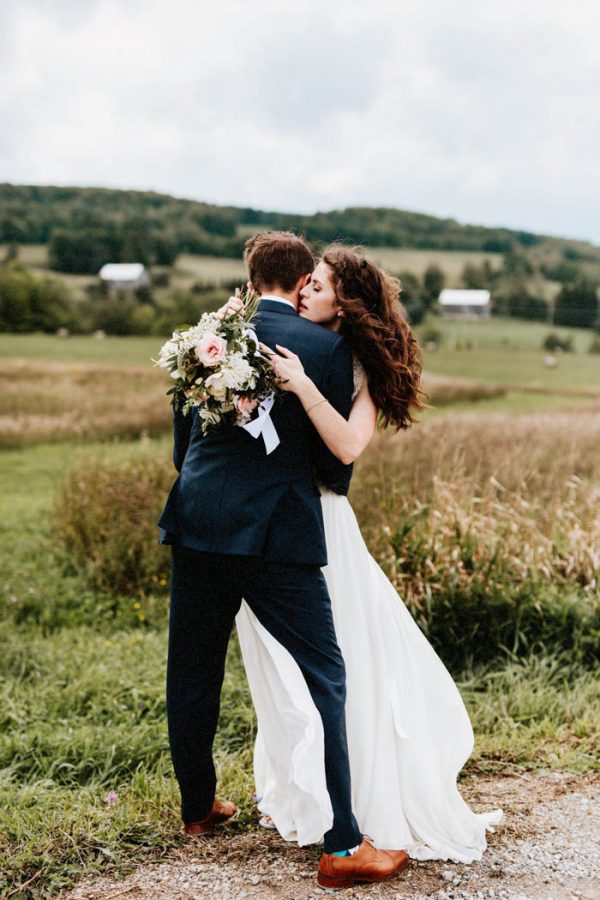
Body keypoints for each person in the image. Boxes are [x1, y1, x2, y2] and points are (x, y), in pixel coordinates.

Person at [157, 232, 409, 890]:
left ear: (249, 273)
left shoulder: (205, 339)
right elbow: (332, 465)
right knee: (326, 675)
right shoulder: (326, 348)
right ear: (302, 283)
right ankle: (344, 845)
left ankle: (197, 810)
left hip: (198, 520)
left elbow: (183, 448)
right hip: (277, 533)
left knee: (192, 667)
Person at [235, 245, 503, 861]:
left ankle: (362, 803)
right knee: (286, 667)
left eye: (320, 287)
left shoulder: (353, 363)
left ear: (345, 302)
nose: (305, 293)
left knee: (344, 659)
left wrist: (301, 387)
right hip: (275, 523)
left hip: (325, 524)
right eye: (307, 284)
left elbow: (350, 445)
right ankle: (312, 795)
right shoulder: (291, 339)